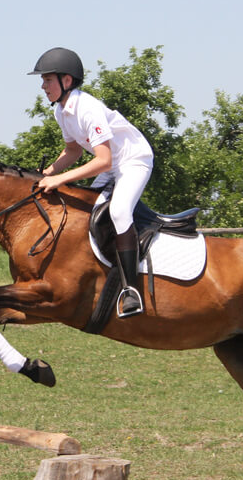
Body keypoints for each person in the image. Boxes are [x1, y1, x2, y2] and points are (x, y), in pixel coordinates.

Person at [30, 47, 154, 317]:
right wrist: (49, 173)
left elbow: (103, 160)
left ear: (67, 81)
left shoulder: (87, 108)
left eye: (47, 80)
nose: (42, 86)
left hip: (133, 160)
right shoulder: (61, 111)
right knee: (86, 213)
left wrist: (62, 178)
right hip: (112, 164)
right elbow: (73, 151)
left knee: (119, 211)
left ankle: (131, 290)